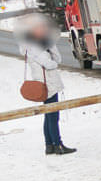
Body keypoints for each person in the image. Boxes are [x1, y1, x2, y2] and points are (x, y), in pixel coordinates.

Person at [17, 14, 76, 155]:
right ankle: (58, 145)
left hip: (45, 84)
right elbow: (50, 63)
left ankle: (49, 145)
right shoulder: (33, 45)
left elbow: (58, 58)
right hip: (47, 85)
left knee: (48, 115)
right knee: (53, 116)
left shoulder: (37, 43)